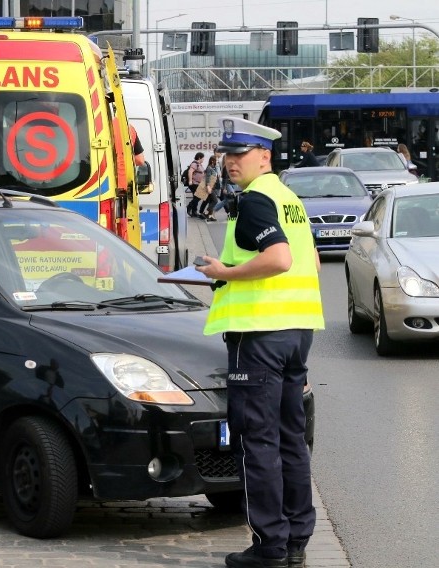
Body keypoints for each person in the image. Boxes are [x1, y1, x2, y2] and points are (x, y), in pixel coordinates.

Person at [194, 117, 325, 568]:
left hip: (260, 337)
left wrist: (223, 274)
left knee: (258, 442)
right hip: (296, 333)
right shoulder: (289, 199)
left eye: (240, 155)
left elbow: (279, 258)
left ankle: (270, 546)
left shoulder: (254, 200)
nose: (230, 163)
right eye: (227, 155)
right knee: (291, 438)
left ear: (264, 157)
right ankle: (296, 540)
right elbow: (307, 262)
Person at [197, 154, 221, 221]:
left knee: (210, 201)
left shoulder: (213, 168)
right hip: (210, 187)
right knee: (215, 201)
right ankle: (206, 212)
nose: (217, 162)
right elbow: (207, 178)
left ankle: (210, 216)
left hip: (213, 186)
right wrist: (208, 187)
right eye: (216, 160)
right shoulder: (209, 168)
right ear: (213, 161)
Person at [185, 152, 206, 218]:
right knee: (198, 196)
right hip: (194, 183)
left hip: (198, 183)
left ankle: (194, 212)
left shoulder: (199, 164)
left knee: (196, 197)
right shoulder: (194, 164)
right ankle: (189, 207)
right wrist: (190, 181)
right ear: (199, 157)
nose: (203, 160)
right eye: (203, 158)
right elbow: (190, 172)